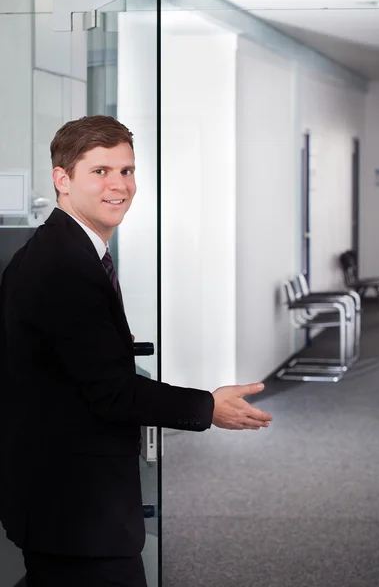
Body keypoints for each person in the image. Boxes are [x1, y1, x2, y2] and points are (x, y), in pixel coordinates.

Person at [0, 115, 272, 587]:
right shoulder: (63, 267)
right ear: (61, 180)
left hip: (64, 504)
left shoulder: (65, 250)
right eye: (101, 171)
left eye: (126, 171)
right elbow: (112, 391)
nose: (119, 186)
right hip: (75, 510)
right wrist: (207, 407)